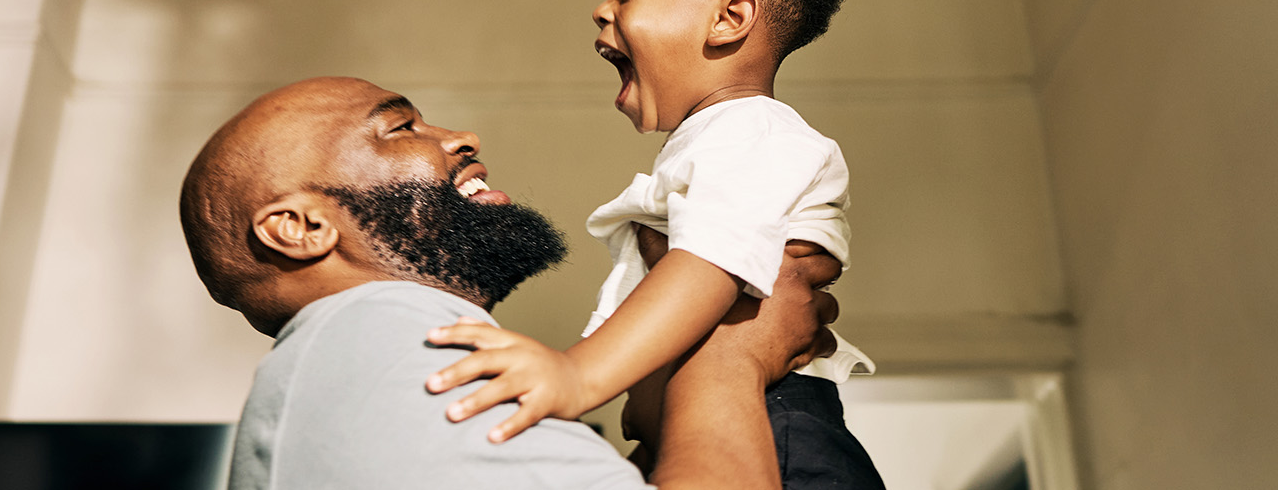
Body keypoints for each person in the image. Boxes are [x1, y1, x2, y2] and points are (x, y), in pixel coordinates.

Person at [423, 0, 883, 487]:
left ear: (729, 18)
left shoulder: (753, 131)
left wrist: (577, 376)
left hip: (780, 433)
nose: (601, 7)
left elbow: (708, 266)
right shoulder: (718, 139)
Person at [178, 76, 843, 489]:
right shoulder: (371, 333)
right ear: (299, 227)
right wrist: (731, 353)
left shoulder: (354, 373)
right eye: (401, 127)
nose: (462, 136)